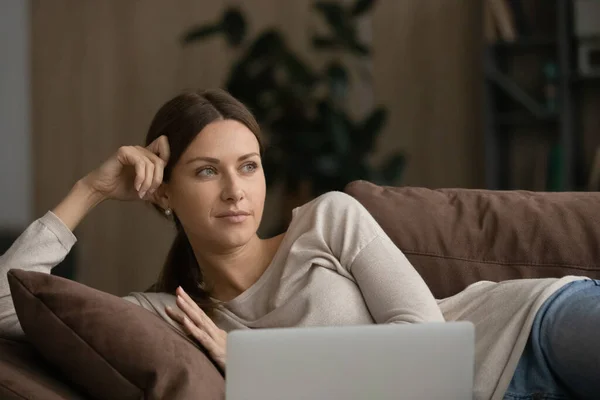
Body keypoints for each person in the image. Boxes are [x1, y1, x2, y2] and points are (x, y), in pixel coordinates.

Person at [0, 88, 598, 400]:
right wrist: (90, 190)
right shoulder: (172, 317)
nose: (237, 190)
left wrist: (266, 369)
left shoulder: (327, 221)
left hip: (531, 329)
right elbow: (10, 309)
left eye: (250, 166)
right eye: (207, 171)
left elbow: (426, 351)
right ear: (163, 194)